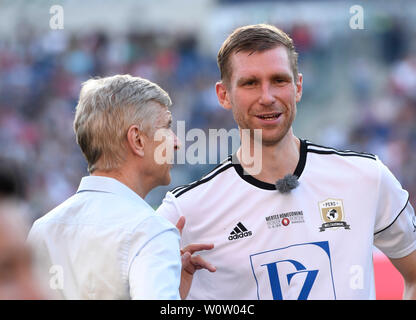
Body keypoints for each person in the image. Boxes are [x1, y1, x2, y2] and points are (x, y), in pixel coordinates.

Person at [156, 24, 416, 300]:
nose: (267, 97)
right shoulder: (184, 211)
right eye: (250, 83)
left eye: (279, 80)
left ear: (298, 87)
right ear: (223, 95)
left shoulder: (365, 177)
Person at [27, 74, 214, 300]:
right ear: (137, 140)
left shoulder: (42, 229)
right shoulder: (151, 231)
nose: (176, 141)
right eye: (166, 127)